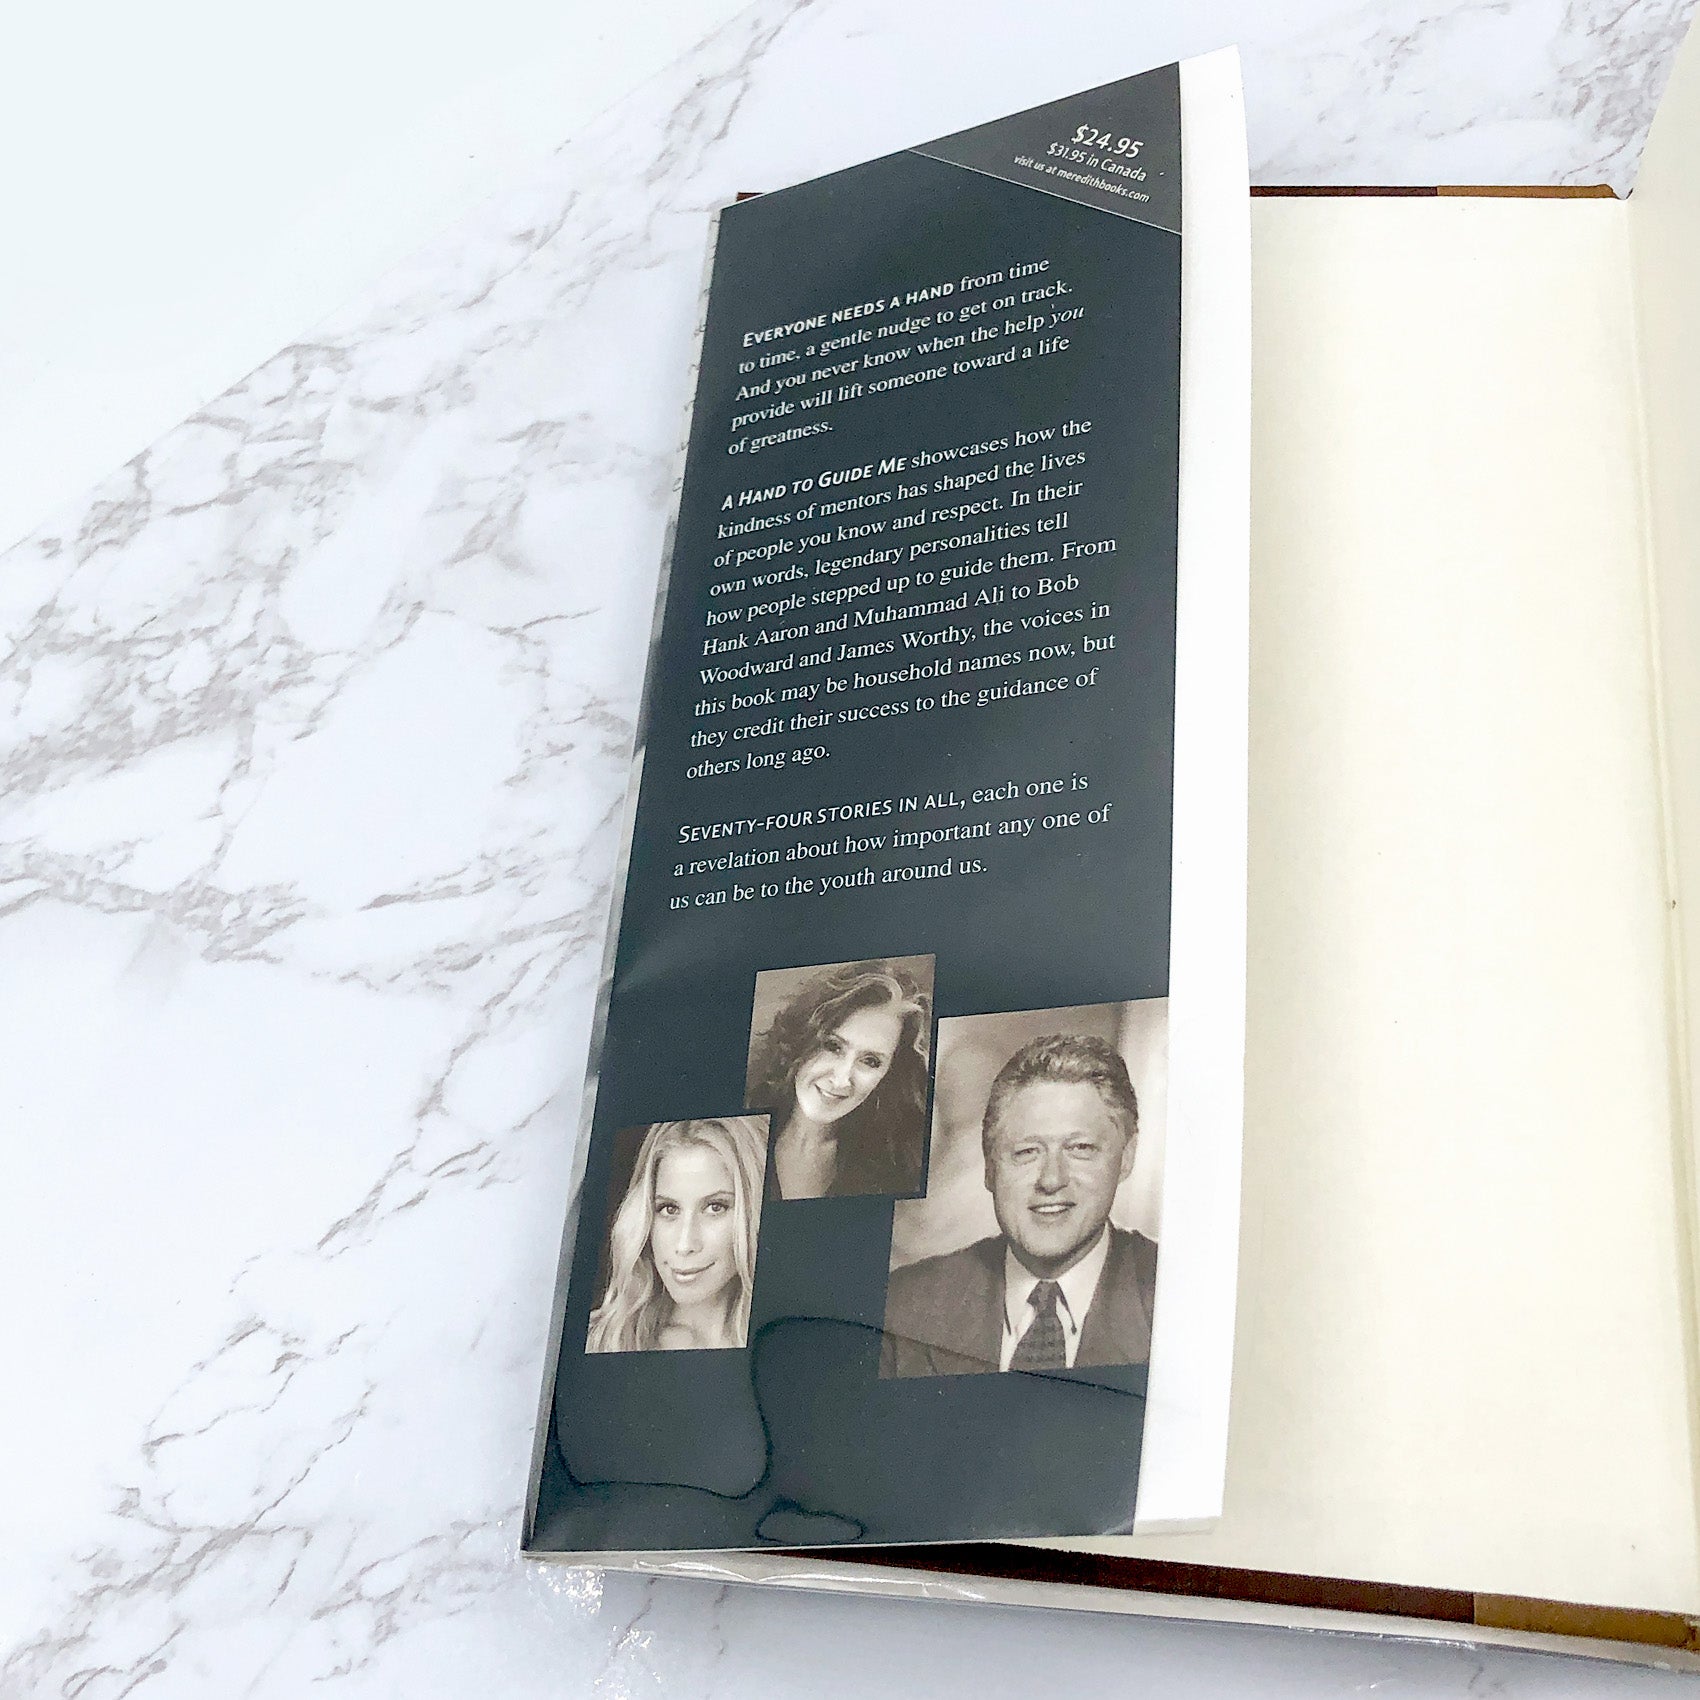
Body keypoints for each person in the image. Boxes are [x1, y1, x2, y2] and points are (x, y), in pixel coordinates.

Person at [880, 1032, 1158, 1378]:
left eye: (1080, 1148)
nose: (1051, 1180)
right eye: (1027, 1152)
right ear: (989, 1168)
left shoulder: (1182, 1295)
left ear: (1126, 1157)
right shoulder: (903, 1307)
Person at [746, 960, 931, 1200]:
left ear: (889, 1074)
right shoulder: (739, 1122)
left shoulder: (900, 1170)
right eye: (833, 1046)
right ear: (801, 1040)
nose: (842, 1079)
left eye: (871, 1061)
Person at [585, 1115, 768, 1353]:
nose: (684, 1244)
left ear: (754, 1210)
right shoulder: (604, 1340)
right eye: (669, 1209)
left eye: (715, 1207)